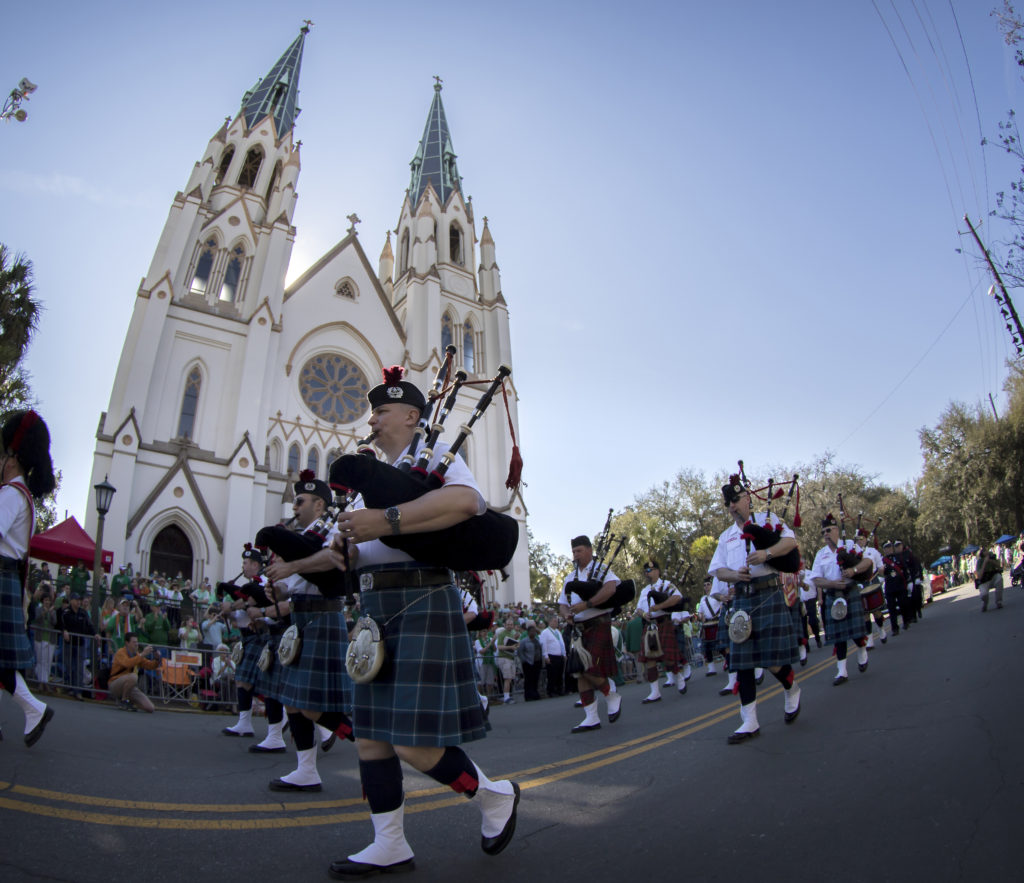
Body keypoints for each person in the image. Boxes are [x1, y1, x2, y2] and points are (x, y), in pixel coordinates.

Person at [291, 365, 519, 877]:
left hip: (420, 599)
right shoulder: (370, 473)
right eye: (373, 409)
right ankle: (389, 842)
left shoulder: (437, 457)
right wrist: (343, 551)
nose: (373, 417)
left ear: (413, 416)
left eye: (383, 408)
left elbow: (465, 503)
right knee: (371, 736)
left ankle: (493, 797)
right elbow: (351, 547)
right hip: (374, 607)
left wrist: (385, 519)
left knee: (414, 743)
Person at [260, 472, 354, 788]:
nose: (295, 506)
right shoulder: (305, 536)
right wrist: (279, 590)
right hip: (301, 619)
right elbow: (296, 584)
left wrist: (291, 567)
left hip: (322, 617)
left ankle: (367, 737)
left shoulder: (329, 529)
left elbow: (332, 560)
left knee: (311, 706)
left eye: (301, 501)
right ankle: (306, 771)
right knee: (292, 701)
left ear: (319, 504)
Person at [709, 474, 801, 744]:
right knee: (744, 663)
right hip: (742, 599)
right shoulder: (726, 537)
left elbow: (791, 542)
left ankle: (792, 688)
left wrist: (766, 554)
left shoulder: (768, 521)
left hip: (768, 593)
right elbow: (718, 571)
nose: (732, 507)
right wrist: (736, 576)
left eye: (736, 500)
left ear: (747, 498)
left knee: (772, 662)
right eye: (728, 503)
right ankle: (749, 720)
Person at [0, 410, 57, 746]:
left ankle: (33, 708)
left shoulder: (10, 495)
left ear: (12, 457)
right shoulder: (21, 496)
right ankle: (33, 709)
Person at [559, 535, 624, 733]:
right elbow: (562, 603)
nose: (575, 555)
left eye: (579, 551)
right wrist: (567, 615)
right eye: (573, 552)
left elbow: (611, 588)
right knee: (579, 670)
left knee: (588, 668)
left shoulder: (601, 570)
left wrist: (587, 604)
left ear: (589, 550)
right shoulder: (570, 577)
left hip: (599, 623)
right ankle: (591, 717)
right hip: (579, 628)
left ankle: (610, 693)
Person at [808, 515, 871, 685]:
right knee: (839, 637)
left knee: (856, 633)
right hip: (833, 596)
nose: (826, 534)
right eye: (823, 532)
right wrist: (832, 583)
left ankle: (862, 650)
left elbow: (867, 562)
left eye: (828, 530)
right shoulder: (821, 554)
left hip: (850, 592)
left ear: (836, 530)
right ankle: (841, 671)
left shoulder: (849, 545)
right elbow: (815, 579)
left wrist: (853, 570)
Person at [636, 559, 685, 702]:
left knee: (669, 658)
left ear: (657, 571)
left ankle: (679, 677)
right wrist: (644, 614)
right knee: (649, 658)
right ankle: (655, 692)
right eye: (646, 571)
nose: (647, 573)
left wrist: (659, 606)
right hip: (650, 626)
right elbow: (638, 609)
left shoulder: (666, 585)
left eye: (650, 571)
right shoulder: (644, 590)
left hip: (663, 622)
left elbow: (677, 597)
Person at [108, 632, 161, 712]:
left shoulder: (136, 655)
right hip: (115, 683)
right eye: (134, 642)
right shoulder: (120, 652)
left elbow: (149, 665)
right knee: (133, 677)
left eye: (137, 642)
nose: (136, 644)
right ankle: (124, 700)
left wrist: (157, 659)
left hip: (130, 685)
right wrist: (142, 654)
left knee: (150, 708)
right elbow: (127, 663)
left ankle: (128, 700)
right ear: (127, 643)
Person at [57, 592, 95, 699]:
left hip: (80, 643)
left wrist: (95, 633)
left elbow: (89, 625)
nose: (79, 602)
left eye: (80, 600)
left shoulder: (83, 613)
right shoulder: (66, 612)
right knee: (70, 666)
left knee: (78, 667)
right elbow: (60, 624)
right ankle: (70, 687)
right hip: (69, 643)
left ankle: (77, 690)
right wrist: (64, 631)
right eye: (77, 600)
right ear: (72, 601)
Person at [494, 615, 520, 704]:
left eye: (511, 624)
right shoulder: (502, 634)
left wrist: (515, 644)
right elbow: (499, 646)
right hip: (504, 658)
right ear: (505, 625)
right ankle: (506, 697)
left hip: (511, 657)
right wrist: (510, 647)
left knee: (510, 678)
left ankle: (508, 695)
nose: (510, 626)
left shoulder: (512, 633)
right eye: (508, 624)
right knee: (507, 678)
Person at [539, 615, 566, 696]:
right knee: (552, 675)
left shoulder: (558, 632)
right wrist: (546, 656)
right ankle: (551, 691)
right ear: (549, 622)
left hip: (559, 655)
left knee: (559, 674)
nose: (556, 623)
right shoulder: (545, 632)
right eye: (554, 621)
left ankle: (559, 689)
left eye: (557, 621)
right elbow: (544, 645)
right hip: (551, 655)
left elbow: (562, 643)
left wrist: (564, 654)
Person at [517, 624, 542, 701]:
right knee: (528, 680)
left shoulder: (537, 641)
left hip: (536, 661)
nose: (533, 633)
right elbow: (520, 651)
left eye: (534, 631)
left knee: (535, 678)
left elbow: (539, 650)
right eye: (531, 631)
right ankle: (528, 695)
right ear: (528, 632)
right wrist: (524, 660)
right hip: (528, 663)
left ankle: (535, 693)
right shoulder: (524, 641)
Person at [975, 546, 1004, 612]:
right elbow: (979, 576)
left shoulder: (992, 557)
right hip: (984, 580)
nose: (987, 552)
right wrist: (985, 563)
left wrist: (991, 561)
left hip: (992, 576)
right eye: (985, 551)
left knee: (999, 578)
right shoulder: (979, 562)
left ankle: (998, 602)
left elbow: (999, 568)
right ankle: (985, 603)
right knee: (984, 594)